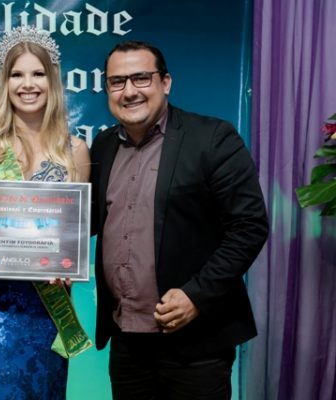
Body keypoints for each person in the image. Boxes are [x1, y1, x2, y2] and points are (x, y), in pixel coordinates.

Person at [90, 40, 269, 399]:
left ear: (166, 82)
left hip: (197, 342)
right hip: (127, 342)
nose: (129, 91)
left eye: (141, 78)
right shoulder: (103, 146)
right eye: (117, 82)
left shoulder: (212, 138)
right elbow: (85, 223)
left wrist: (196, 296)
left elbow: (249, 227)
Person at [0, 26, 91, 400]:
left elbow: (76, 235)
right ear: (4, 83)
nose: (28, 84)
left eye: (38, 74)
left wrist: (70, 265)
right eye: (17, 75)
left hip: (50, 309)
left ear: (53, 81)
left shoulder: (75, 150)